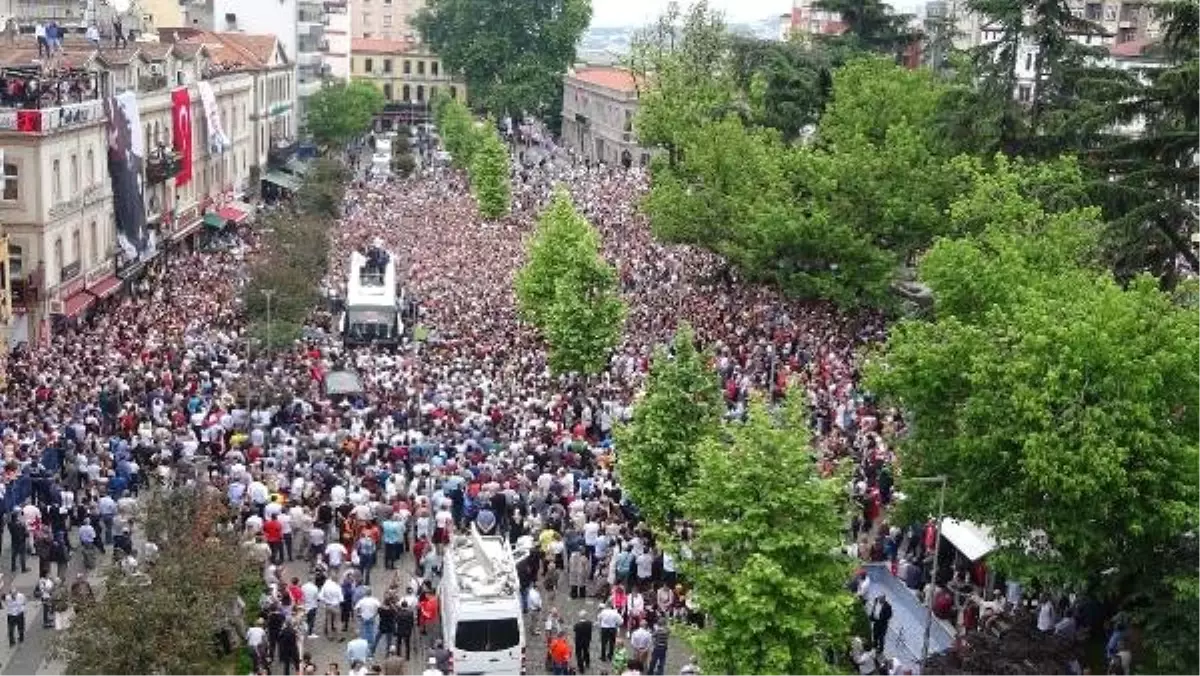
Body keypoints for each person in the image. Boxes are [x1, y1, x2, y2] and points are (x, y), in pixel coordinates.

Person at [573, 608, 593, 673]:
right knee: (586, 652)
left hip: (579, 642)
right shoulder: (590, 623)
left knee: (579, 654)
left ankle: (581, 667)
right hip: (587, 641)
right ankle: (587, 663)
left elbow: (575, 630)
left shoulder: (577, 625)